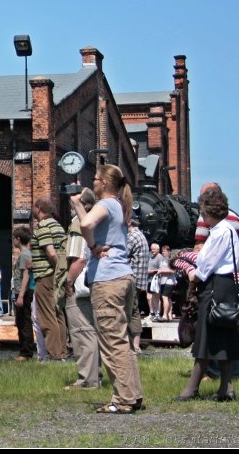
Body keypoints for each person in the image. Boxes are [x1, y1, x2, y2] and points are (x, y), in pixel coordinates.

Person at [70, 164, 144, 414]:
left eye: (95, 179)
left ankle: (122, 400)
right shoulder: (118, 206)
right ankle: (132, 394)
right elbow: (87, 221)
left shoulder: (106, 203)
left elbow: (86, 225)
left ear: (104, 183)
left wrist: (92, 248)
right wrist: (78, 204)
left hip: (107, 279)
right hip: (122, 276)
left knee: (111, 341)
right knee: (121, 339)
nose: (92, 183)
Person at [174, 187, 239, 402]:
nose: (202, 217)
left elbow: (207, 263)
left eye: (203, 212)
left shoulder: (221, 232)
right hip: (224, 286)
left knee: (204, 338)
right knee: (222, 337)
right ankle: (226, 387)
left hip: (215, 286)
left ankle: (192, 387)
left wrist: (193, 275)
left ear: (209, 211)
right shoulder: (225, 230)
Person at [64, 188, 101, 390]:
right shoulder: (94, 222)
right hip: (91, 282)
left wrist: (68, 281)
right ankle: (95, 374)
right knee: (91, 330)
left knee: (81, 330)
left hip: (79, 286)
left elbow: (79, 258)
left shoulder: (79, 222)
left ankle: (87, 379)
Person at [30, 196, 68, 361]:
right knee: (58, 313)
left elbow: (51, 253)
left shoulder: (44, 226)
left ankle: (55, 355)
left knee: (46, 316)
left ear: (38, 208)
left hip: (45, 275)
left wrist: (56, 269)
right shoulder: (58, 226)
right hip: (57, 276)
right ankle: (62, 351)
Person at [11, 225, 36, 361]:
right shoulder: (26, 253)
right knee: (22, 321)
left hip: (23, 292)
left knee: (23, 322)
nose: (13, 241)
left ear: (18, 239)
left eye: (14, 238)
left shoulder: (24, 255)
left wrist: (20, 295)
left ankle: (26, 353)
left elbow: (25, 276)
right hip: (23, 291)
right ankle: (25, 351)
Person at [125, 218, 148, 354]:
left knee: (130, 311)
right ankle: (135, 344)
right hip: (139, 280)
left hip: (132, 279)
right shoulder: (141, 235)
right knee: (134, 310)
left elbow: (122, 253)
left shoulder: (133, 236)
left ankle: (133, 345)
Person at [159, 245, 178, 321]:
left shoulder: (171, 260)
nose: (163, 253)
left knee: (165, 297)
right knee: (168, 298)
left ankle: (164, 315)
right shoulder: (163, 260)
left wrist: (161, 271)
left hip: (169, 281)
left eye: (165, 251)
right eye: (162, 251)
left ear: (169, 252)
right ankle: (169, 314)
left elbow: (173, 271)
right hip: (163, 281)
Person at [147, 243, 164, 320]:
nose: (152, 250)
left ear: (158, 249)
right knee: (149, 297)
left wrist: (152, 271)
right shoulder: (150, 256)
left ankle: (157, 313)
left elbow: (162, 269)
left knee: (156, 297)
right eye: (151, 248)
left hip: (156, 279)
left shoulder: (160, 257)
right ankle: (151, 313)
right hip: (148, 279)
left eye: (154, 249)